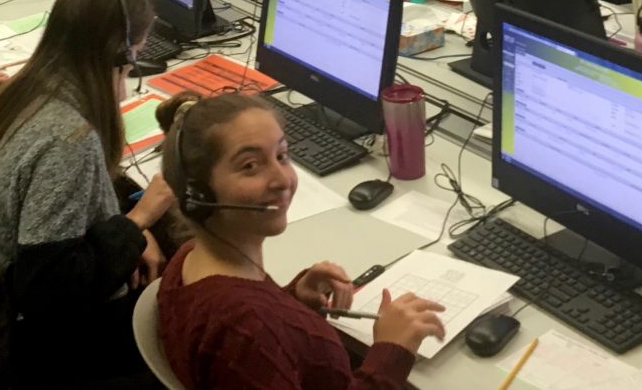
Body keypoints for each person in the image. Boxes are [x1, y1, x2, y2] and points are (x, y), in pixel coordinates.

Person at [0, 0, 178, 387]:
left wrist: (126, 224)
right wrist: (139, 220)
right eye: (134, 56)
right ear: (117, 55)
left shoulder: (24, 89)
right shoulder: (69, 138)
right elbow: (49, 289)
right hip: (46, 342)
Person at [155, 90, 447, 389]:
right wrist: (391, 351)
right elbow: (248, 338)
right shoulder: (244, 327)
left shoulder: (192, 257)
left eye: (281, 155)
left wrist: (293, 300)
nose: (283, 179)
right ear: (199, 195)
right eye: (250, 166)